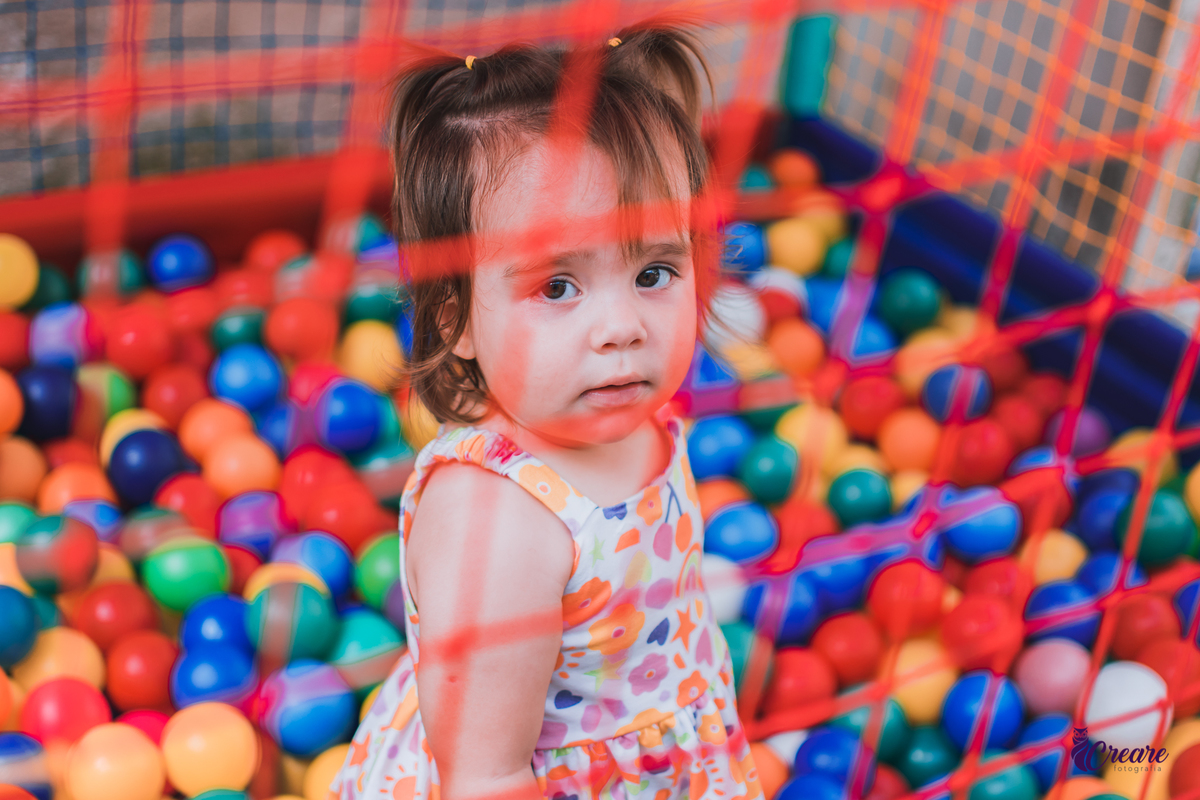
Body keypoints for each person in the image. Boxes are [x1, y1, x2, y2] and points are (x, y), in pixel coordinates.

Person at [333, 18, 762, 800]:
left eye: (654, 271)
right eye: (557, 286)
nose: (622, 327)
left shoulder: (634, 414)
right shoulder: (495, 518)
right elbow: (485, 777)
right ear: (456, 320)